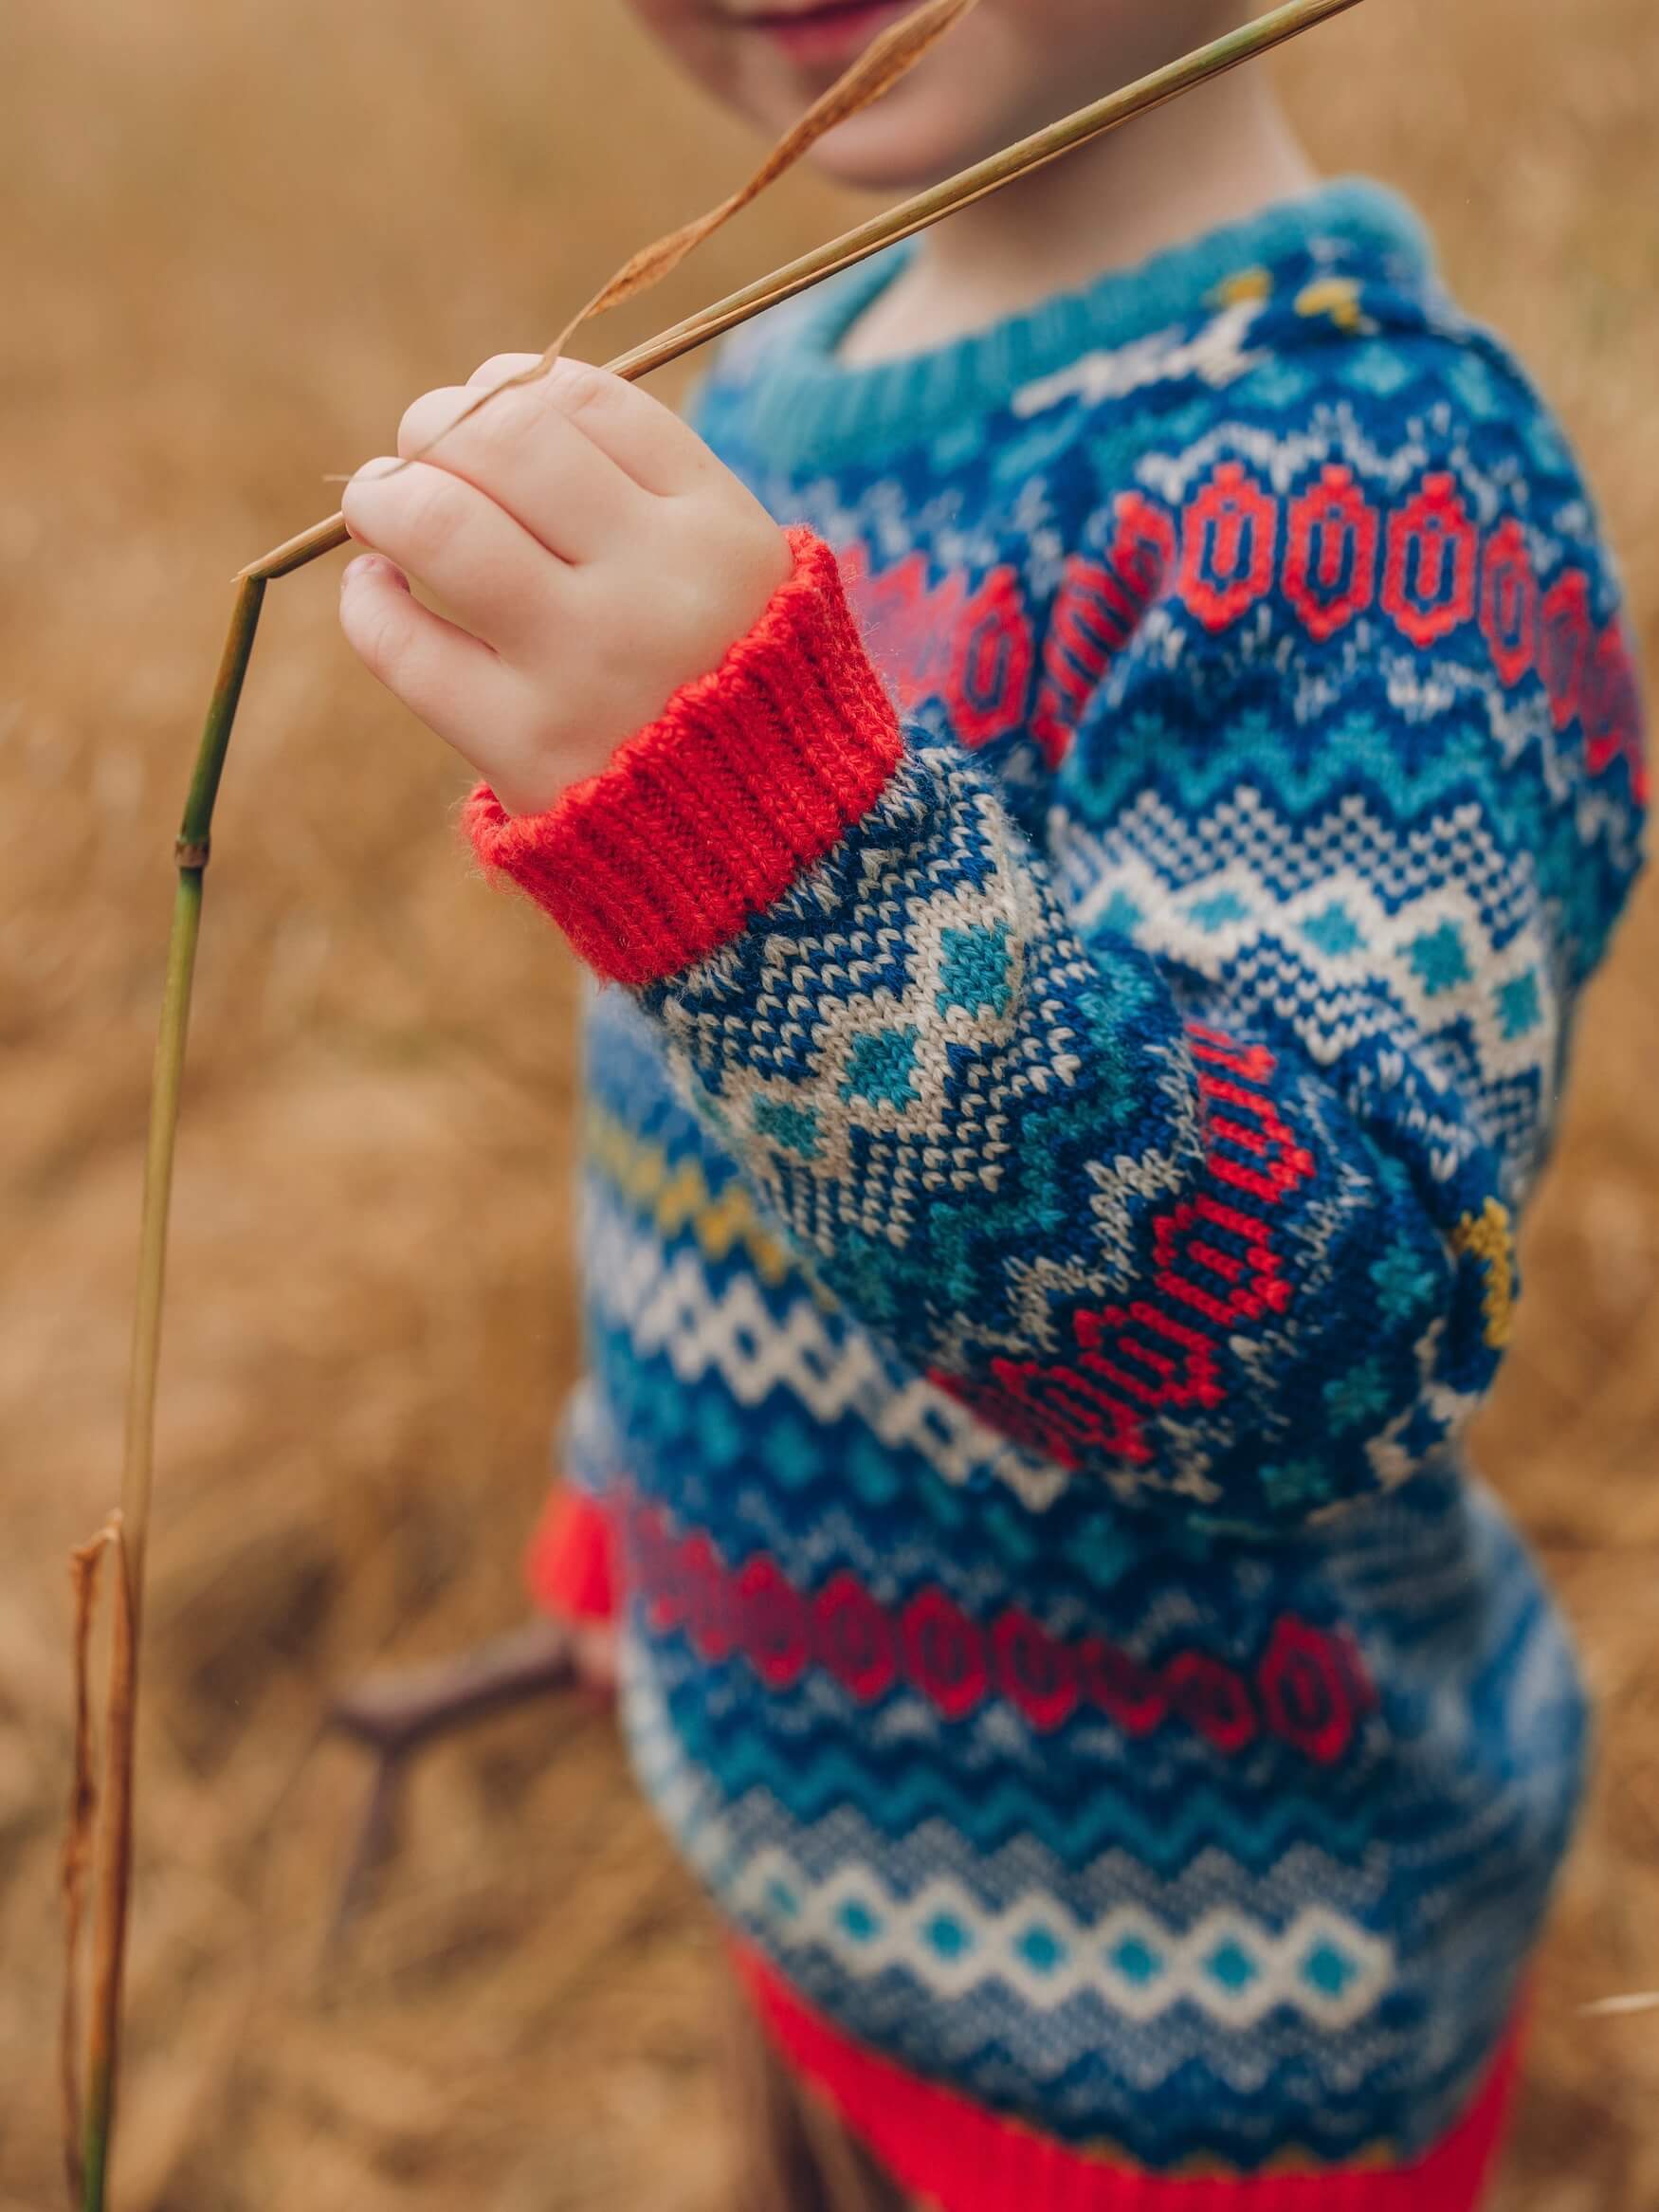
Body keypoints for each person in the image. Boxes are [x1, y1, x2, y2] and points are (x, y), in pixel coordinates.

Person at [336, 2, 1649, 2203]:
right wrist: (628, 1514)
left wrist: (788, 873)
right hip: (802, 1888)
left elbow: (1320, 1335)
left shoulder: (1360, 489)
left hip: (1195, 2042)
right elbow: (701, 1126)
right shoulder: (787, 366)